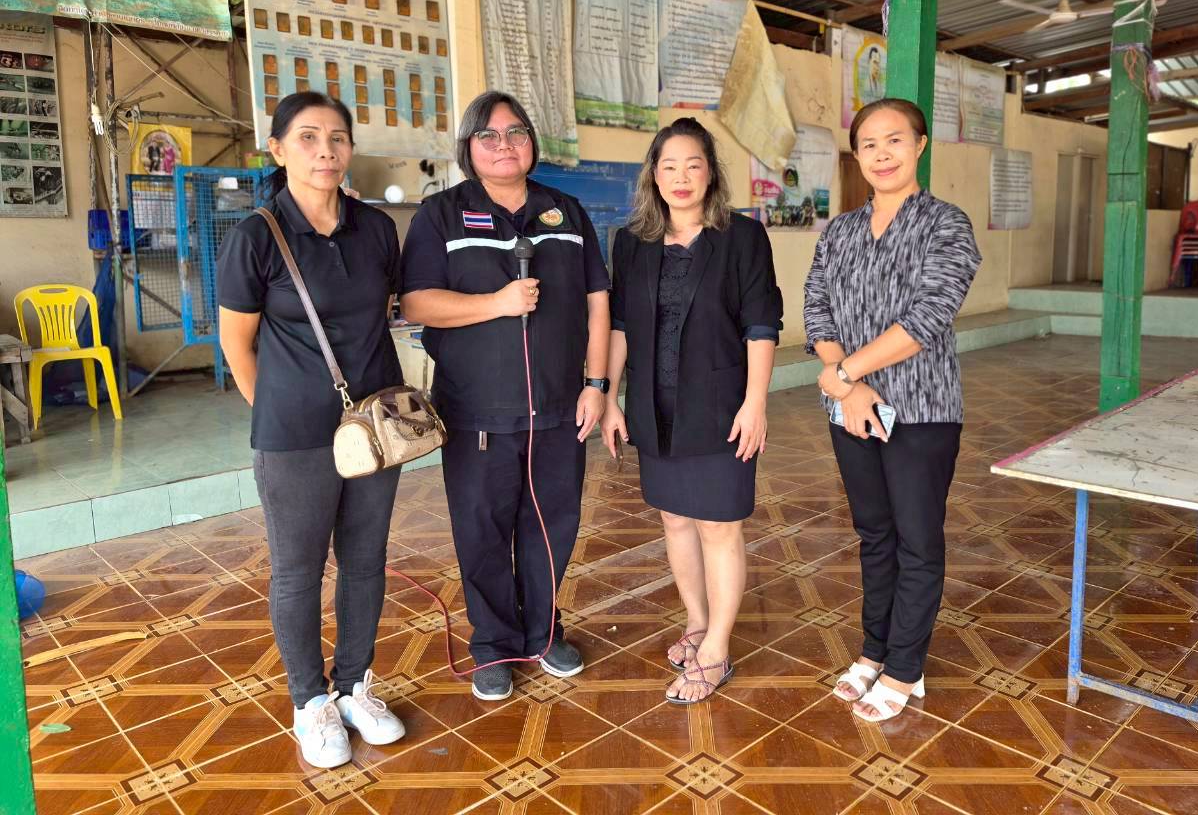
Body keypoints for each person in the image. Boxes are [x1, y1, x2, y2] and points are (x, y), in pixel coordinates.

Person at [217, 91, 408, 769]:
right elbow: (237, 343)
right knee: (298, 570)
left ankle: (354, 687)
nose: (325, 150)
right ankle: (310, 702)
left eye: (337, 138)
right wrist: (276, 411)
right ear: (277, 148)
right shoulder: (256, 236)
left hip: (376, 429)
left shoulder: (376, 229)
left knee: (365, 560)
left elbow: (387, 312)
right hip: (295, 435)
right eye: (307, 137)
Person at [400, 91, 611, 701]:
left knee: (551, 525)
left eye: (516, 132)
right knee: (483, 529)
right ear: (468, 146)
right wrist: (496, 303)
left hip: (559, 408)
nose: (504, 145)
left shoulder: (566, 212)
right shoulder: (441, 215)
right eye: (488, 135)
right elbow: (416, 302)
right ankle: (493, 645)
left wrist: (597, 384)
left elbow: (598, 302)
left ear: (532, 142)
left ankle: (543, 633)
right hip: (477, 411)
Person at [802, 97, 981, 724]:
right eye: (869, 144)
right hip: (850, 412)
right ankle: (874, 650)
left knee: (916, 539)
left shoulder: (946, 224)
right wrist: (847, 388)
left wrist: (846, 374)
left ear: (920, 145)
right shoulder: (840, 232)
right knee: (874, 536)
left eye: (895, 140)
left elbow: (929, 316)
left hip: (923, 408)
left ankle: (906, 667)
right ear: (857, 155)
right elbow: (817, 308)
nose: (882, 154)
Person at [601, 117, 782, 705]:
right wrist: (610, 396)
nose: (681, 177)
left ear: (711, 174)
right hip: (654, 407)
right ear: (654, 176)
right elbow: (621, 326)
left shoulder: (742, 237)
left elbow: (761, 324)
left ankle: (717, 650)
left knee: (719, 527)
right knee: (675, 520)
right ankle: (698, 623)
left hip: (723, 407)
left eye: (693, 165)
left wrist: (756, 403)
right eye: (670, 166)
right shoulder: (632, 241)